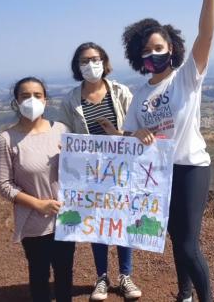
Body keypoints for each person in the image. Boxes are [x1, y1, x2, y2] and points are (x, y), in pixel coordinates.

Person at [120, 0, 214, 301]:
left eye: (158, 48)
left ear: (171, 49)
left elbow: (206, 35)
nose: (153, 54)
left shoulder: (186, 78)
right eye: (146, 50)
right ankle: (184, 294)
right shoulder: (141, 95)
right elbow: (128, 133)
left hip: (191, 167)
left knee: (189, 244)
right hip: (159, 174)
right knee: (176, 237)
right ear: (138, 56)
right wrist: (137, 136)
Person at [56, 42, 141, 301]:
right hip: (89, 172)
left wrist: (118, 134)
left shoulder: (120, 92)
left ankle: (125, 276)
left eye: (94, 59)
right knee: (98, 223)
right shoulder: (71, 99)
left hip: (121, 169)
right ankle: (102, 277)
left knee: (122, 220)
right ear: (77, 66)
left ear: (104, 62)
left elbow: (137, 128)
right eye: (84, 61)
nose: (90, 64)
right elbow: (63, 130)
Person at [0, 76, 74, 302]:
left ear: (46, 100)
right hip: (33, 221)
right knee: (39, 276)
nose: (31, 100)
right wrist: (38, 204)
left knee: (65, 272)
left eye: (37, 95)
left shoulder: (61, 130)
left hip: (65, 217)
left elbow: (77, 171)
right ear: (16, 101)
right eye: (25, 95)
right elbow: (3, 185)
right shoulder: (6, 139)